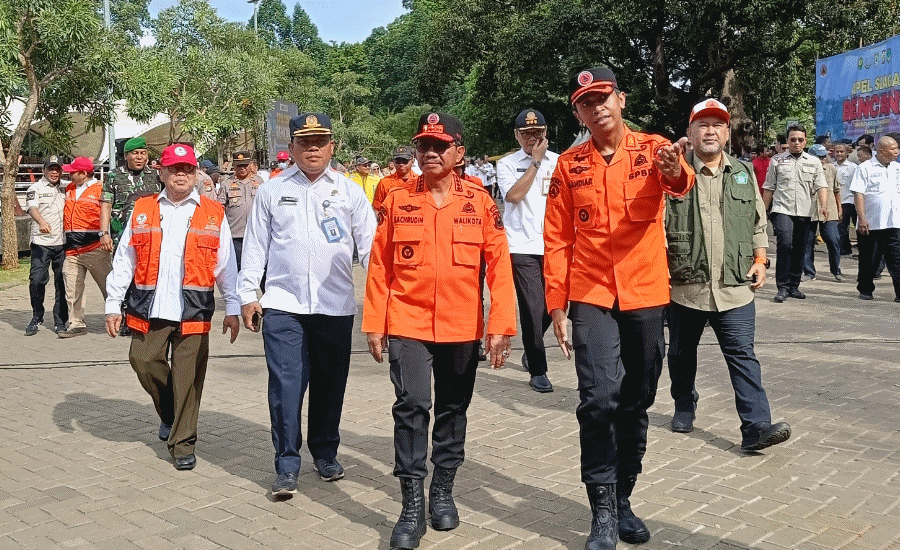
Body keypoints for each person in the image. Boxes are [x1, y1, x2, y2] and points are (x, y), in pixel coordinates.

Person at [543, 68, 693, 550]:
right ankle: (602, 511)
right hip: (591, 294)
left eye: (602, 97)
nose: (596, 108)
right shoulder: (569, 165)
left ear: (620, 99)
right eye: (585, 103)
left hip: (646, 290)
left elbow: (680, 183)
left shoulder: (654, 148)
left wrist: (673, 170)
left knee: (638, 398)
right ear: (578, 112)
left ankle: (624, 495)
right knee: (598, 399)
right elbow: (558, 238)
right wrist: (557, 304)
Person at [363, 112, 516, 550]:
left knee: (452, 409)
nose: (429, 153)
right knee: (411, 405)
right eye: (423, 146)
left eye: (439, 146)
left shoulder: (480, 202)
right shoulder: (396, 200)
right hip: (407, 320)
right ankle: (411, 504)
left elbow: (500, 268)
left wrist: (501, 325)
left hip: (462, 324)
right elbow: (380, 267)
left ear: (459, 153)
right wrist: (375, 322)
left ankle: (443, 492)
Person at [238, 112, 376, 496]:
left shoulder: (350, 192)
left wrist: (385, 299)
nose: (313, 148)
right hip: (283, 306)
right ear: (292, 148)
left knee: (331, 385)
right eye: (304, 142)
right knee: (286, 387)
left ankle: (325, 451)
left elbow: (371, 250)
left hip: (335, 306)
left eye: (320, 141)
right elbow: (254, 248)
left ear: (332, 146)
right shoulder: (271, 191)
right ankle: (286, 463)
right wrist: (248, 295)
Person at [664, 98, 791, 453]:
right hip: (685, 287)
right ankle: (684, 404)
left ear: (726, 132)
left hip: (735, 286)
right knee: (681, 354)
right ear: (689, 132)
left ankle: (756, 426)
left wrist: (761, 259)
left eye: (718, 125)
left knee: (742, 355)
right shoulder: (672, 173)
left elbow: (756, 222)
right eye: (702, 125)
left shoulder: (742, 171)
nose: (710, 131)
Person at [105, 143, 240, 471]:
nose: (181, 175)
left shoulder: (212, 211)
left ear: (196, 174)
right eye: (174, 169)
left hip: (193, 309)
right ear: (161, 172)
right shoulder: (143, 208)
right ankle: (170, 412)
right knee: (142, 360)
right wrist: (112, 302)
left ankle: (182, 443)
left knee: (187, 377)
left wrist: (233, 306)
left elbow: (226, 265)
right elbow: (125, 259)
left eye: (188, 169)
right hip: (150, 307)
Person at [496, 108, 559, 392]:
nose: (533, 138)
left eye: (538, 133)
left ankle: (531, 349)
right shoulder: (507, 164)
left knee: (553, 305)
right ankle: (538, 369)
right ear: (517, 135)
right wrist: (534, 163)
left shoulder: (560, 163)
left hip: (554, 245)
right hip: (521, 245)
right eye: (527, 133)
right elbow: (514, 195)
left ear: (546, 133)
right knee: (533, 309)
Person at [761, 126, 829, 303]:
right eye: (793, 139)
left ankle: (794, 285)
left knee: (800, 248)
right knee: (785, 244)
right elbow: (769, 187)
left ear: (806, 141)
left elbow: (821, 185)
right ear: (788, 141)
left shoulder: (814, 162)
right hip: (782, 209)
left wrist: (823, 205)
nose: (796, 142)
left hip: (806, 211)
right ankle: (782, 287)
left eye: (800, 139)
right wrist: (762, 211)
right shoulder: (777, 161)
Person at [60, 157, 113, 338]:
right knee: (72, 289)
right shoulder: (70, 189)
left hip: (95, 248)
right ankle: (76, 323)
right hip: (72, 250)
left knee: (109, 288)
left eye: (72, 172)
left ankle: (120, 319)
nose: (69, 175)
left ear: (83, 174)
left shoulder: (101, 190)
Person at [850, 136, 900, 301]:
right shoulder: (865, 168)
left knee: (897, 259)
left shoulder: (897, 168)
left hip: (894, 222)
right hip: (872, 223)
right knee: (869, 259)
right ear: (881, 150)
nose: (896, 152)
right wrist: (862, 218)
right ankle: (865, 289)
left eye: (897, 148)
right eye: (893, 149)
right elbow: (858, 193)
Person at [24, 156, 68, 336]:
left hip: (62, 243)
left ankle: (60, 320)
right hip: (41, 243)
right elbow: (31, 208)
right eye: (51, 169)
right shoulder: (35, 188)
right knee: (36, 280)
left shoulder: (66, 187)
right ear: (44, 170)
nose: (54, 172)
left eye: (57, 169)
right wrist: (41, 221)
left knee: (62, 283)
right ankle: (37, 316)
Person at [101, 137, 162, 248]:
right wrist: (104, 233)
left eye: (143, 153)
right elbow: (106, 205)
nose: (139, 157)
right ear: (125, 156)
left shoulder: (157, 176)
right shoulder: (113, 176)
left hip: (149, 235)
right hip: (120, 235)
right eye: (135, 153)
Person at [802, 144, 844, 281]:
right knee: (807, 242)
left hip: (829, 209)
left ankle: (836, 270)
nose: (822, 160)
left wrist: (840, 209)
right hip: (809, 210)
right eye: (819, 157)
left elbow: (836, 190)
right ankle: (809, 272)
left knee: (833, 239)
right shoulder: (803, 169)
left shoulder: (831, 169)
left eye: (823, 156)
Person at [217, 151, 263, 270]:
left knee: (260, 270)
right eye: (239, 166)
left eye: (245, 165)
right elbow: (219, 208)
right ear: (234, 166)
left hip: (257, 234)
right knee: (238, 269)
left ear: (250, 165)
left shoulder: (259, 182)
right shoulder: (227, 184)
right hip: (236, 236)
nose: (242, 168)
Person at [372, 145, 417, 211]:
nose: (401, 164)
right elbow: (376, 208)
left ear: (412, 160)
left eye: (404, 160)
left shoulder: (420, 181)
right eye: (398, 161)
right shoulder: (384, 183)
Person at [834, 142, 858, 256]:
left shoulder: (853, 167)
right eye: (837, 152)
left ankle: (862, 250)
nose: (839, 154)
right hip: (838, 201)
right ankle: (844, 249)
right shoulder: (832, 167)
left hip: (851, 200)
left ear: (847, 153)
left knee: (856, 226)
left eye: (841, 151)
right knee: (841, 227)